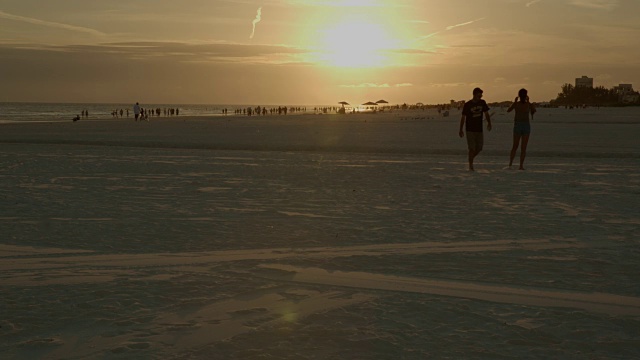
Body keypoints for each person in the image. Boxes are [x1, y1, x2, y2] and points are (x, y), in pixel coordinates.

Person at [459, 87, 492, 171]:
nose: (480, 97)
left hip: (479, 129)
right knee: (471, 148)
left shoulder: (482, 102)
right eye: (479, 95)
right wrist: (460, 129)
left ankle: (470, 159)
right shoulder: (468, 104)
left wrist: (489, 123)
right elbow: (463, 117)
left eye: (481, 95)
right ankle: (471, 165)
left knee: (479, 148)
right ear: (474, 95)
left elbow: (486, 113)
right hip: (470, 129)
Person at [507, 88, 536, 170]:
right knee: (516, 146)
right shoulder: (517, 104)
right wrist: (515, 102)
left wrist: (529, 103)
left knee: (522, 147)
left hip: (524, 125)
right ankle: (512, 163)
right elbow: (508, 110)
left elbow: (533, 112)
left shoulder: (528, 104)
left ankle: (519, 165)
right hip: (519, 125)